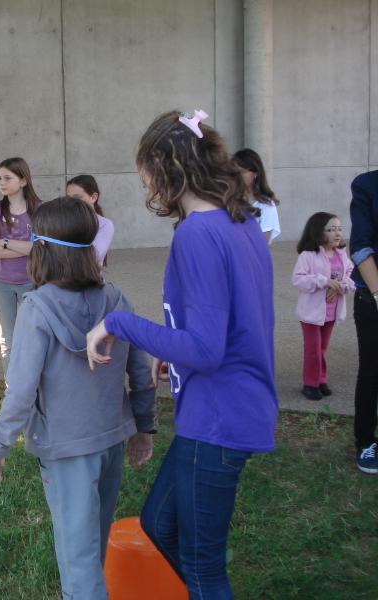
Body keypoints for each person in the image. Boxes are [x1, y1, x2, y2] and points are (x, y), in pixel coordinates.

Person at [87, 110, 278, 599]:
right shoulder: (241, 221)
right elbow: (227, 324)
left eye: (145, 175)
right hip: (225, 409)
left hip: (219, 416)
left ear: (164, 169)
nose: (147, 186)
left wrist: (118, 322)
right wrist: (175, 346)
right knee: (158, 524)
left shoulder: (197, 233)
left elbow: (207, 350)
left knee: (202, 568)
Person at [0, 196, 155, 600]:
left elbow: (21, 388)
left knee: (78, 556)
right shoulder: (115, 298)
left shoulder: (35, 308)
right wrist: (143, 428)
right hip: (112, 439)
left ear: (40, 248)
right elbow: (140, 373)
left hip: (65, 450)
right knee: (93, 541)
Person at [0, 157, 42, 375]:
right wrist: (25, 247)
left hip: (30, 281)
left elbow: (39, 249)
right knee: (7, 337)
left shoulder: (38, 209)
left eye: (8, 178)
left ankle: (32, 383)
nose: (2, 182)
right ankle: (13, 389)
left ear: (23, 180)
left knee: (32, 334)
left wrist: (5, 241)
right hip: (1, 283)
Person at [292, 212, 354, 401]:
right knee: (313, 349)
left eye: (339, 229)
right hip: (311, 314)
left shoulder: (342, 255)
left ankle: (320, 379)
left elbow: (351, 279)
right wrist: (323, 281)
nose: (337, 233)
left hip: (330, 312)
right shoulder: (308, 255)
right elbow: (298, 280)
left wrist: (341, 286)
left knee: (322, 348)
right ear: (319, 232)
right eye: (331, 229)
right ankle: (310, 384)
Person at [349, 169, 378, 473]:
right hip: (371, 299)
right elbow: (359, 245)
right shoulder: (367, 185)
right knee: (371, 372)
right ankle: (366, 442)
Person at [233, 148, 281, 244]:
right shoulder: (226, 200)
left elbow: (262, 243)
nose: (238, 176)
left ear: (255, 173)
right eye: (234, 172)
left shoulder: (266, 205)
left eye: (242, 172)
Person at [66, 174, 115, 265]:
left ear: (93, 197)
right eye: (68, 198)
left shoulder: (105, 224)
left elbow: (93, 256)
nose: (70, 203)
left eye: (77, 198)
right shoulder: (63, 220)